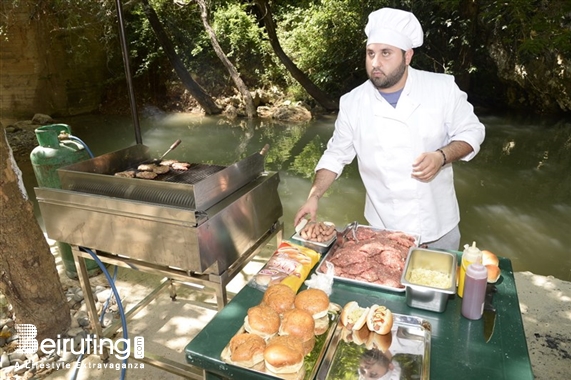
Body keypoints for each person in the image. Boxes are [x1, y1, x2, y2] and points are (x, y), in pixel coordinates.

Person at [293, 7, 485, 250]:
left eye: (386, 53)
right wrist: (314, 196)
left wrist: (442, 156)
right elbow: (335, 155)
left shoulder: (442, 89)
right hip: (383, 228)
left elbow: (472, 132)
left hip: (437, 227)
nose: (376, 62)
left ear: (407, 57)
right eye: (370, 53)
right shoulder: (353, 102)